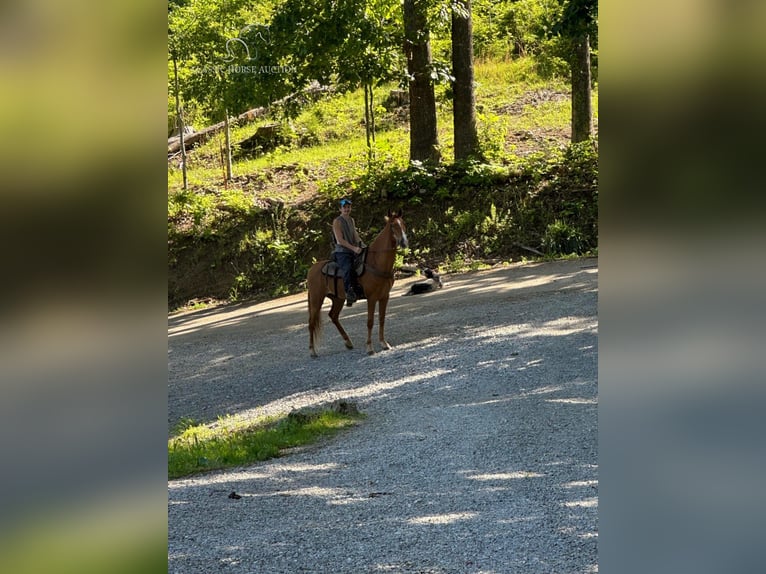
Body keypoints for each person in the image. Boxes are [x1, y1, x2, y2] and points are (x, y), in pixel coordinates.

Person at [333, 198, 364, 306]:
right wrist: (354, 248)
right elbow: (340, 240)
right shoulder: (337, 221)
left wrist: (362, 245)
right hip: (342, 251)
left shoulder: (351, 220)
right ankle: (348, 292)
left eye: (348, 207)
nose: (347, 209)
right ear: (340, 209)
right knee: (347, 268)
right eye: (344, 207)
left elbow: (355, 235)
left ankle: (360, 288)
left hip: (353, 249)